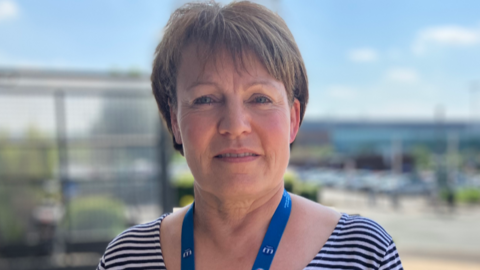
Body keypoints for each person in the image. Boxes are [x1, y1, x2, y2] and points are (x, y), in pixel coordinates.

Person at [97, 1, 403, 269]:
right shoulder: (126, 259)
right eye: (205, 99)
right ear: (175, 122)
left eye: (260, 98)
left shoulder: (364, 255)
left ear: (293, 119)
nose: (235, 124)